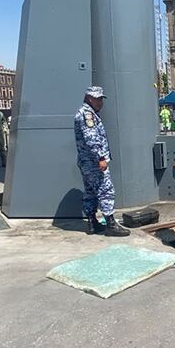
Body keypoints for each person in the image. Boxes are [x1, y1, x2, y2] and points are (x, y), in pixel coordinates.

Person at [74, 86, 129, 237]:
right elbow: (91, 139)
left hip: (86, 162)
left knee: (91, 192)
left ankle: (92, 223)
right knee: (106, 190)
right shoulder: (87, 114)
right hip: (93, 162)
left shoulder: (86, 113)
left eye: (101, 99)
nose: (100, 102)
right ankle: (110, 223)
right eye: (97, 99)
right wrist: (101, 158)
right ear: (89, 98)